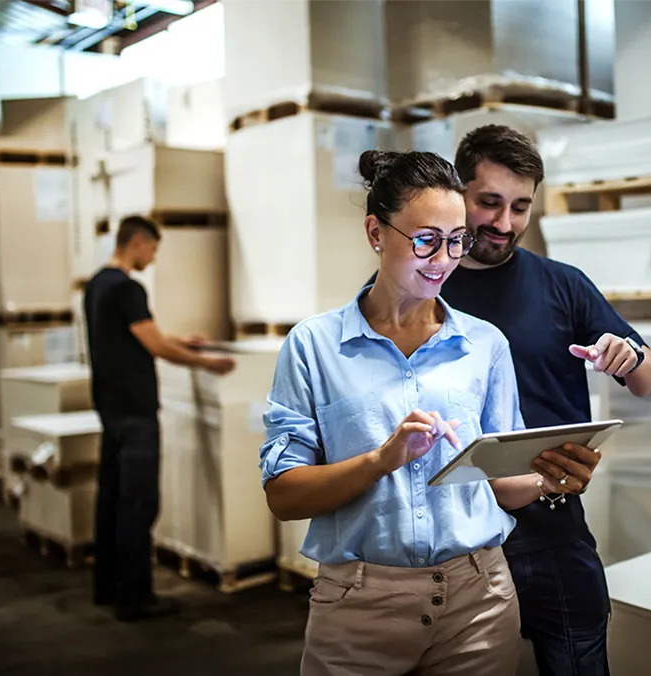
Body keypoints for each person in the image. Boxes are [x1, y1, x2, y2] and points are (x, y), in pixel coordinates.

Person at [368, 125, 651, 674]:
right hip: (451, 540)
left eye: (521, 206)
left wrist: (628, 355)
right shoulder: (420, 283)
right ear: (459, 194)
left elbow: (649, 380)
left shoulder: (563, 284)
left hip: (550, 530)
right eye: (489, 203)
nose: (505, 224)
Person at [260, 150, 565, 675]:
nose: (443, 259)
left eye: (456, 240)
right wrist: (381, 459)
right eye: (426, 239)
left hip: (480, 599)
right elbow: (284, 497)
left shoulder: (484, 344)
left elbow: (498, 483)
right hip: (359, 607)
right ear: (376, 233)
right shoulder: (314, 346)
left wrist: (549, 478)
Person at [83, 215, 235, 623]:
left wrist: (179, 340)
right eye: (151, 248)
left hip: (110, 409)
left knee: (111, 499)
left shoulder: (97, 284)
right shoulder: (128, 288)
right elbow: (154, 347)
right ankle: (135, 598)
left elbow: (134, 336)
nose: (152, 256)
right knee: (139, 503)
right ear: (136, 242)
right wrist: (205, 362)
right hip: (135, 412)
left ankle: (106, 587)